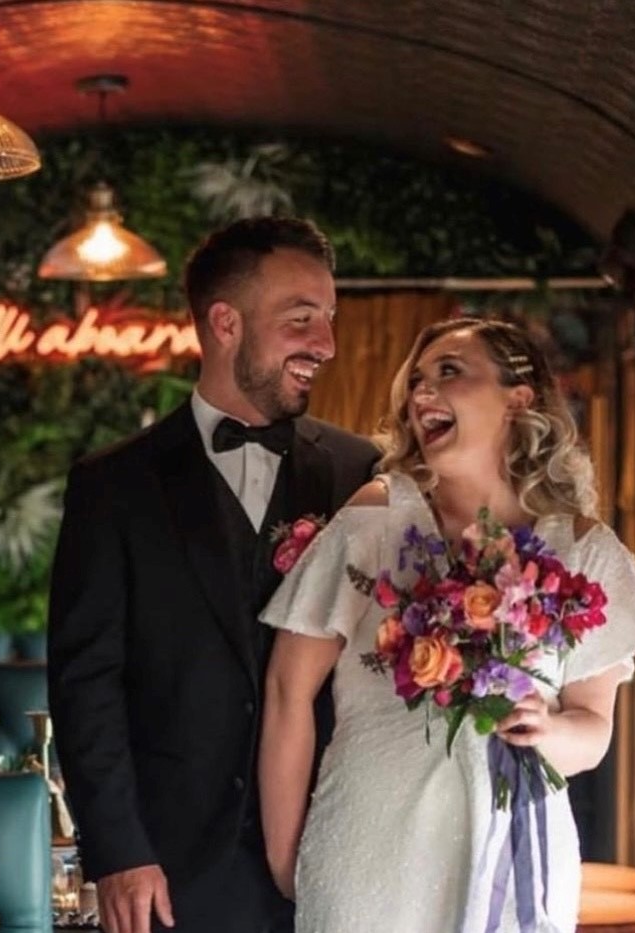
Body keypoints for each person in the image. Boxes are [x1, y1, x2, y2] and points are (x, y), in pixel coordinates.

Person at [258, 318, 635, 932]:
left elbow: (594, 730)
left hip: (515, 855)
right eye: (416, 380)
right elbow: (288, 691)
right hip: (365, 853)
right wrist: (287, 860)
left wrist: (545, 731)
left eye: (449, 372)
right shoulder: (375, 518)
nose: (421, 393)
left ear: (518, 400)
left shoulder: (587, 552)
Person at [48, 217, 379, 933]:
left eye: (329, 319)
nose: (325, 343)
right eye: (301, 319)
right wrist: (119, 851)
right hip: (169, 871)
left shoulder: (363, 477)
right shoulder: (113, 487)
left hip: (337, 853)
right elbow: (86, 683)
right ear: (225, 322)